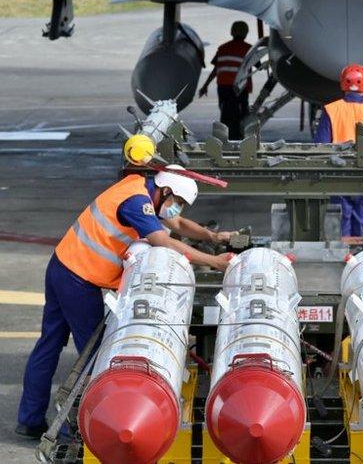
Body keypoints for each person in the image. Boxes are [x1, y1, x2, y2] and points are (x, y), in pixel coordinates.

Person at [15, 167, 235, 439]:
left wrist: (212, 237)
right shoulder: (136, 202)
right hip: (79, 279)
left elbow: (176, 223)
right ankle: (68, 431)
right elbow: (161, 241)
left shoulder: (138, 187)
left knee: (48, 344)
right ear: (165, 191)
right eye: (176, 202)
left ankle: (29, 419)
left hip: (62, 265)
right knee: (94, 356)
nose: (176, 209)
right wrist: (214, 262)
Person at [314, 64, 363, 237]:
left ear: (342, 83)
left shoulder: (331, 110)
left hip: (339, 177)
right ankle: (362, 258)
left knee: (341, 227)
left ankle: (344, 260)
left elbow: (320, 146)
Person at [199, 21, 254, 140]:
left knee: (226, 114)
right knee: (241, 115)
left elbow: (216, 69)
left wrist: (205, 86)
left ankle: (225, 139)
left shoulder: (222, 48)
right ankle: (240, 139)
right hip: (240, 87)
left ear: (232, 32)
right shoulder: (249, 49)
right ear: (246, 33)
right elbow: (257, 65)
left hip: (223, 87)